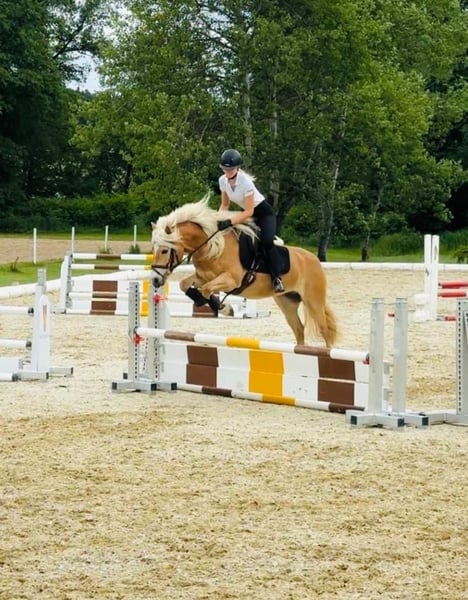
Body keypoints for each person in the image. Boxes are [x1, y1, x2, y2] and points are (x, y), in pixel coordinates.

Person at [217, 148, 285, 293]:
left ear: (237, 168)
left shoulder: (246, 182)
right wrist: (218, 219)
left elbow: (249, 211)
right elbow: (225, 204)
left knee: (266, 243)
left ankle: (277, 278)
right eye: (225, 169)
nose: (227, 172)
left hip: (263, 214)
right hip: (248, 214)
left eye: (231, 169)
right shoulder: (222, 181)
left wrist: (230, 221)